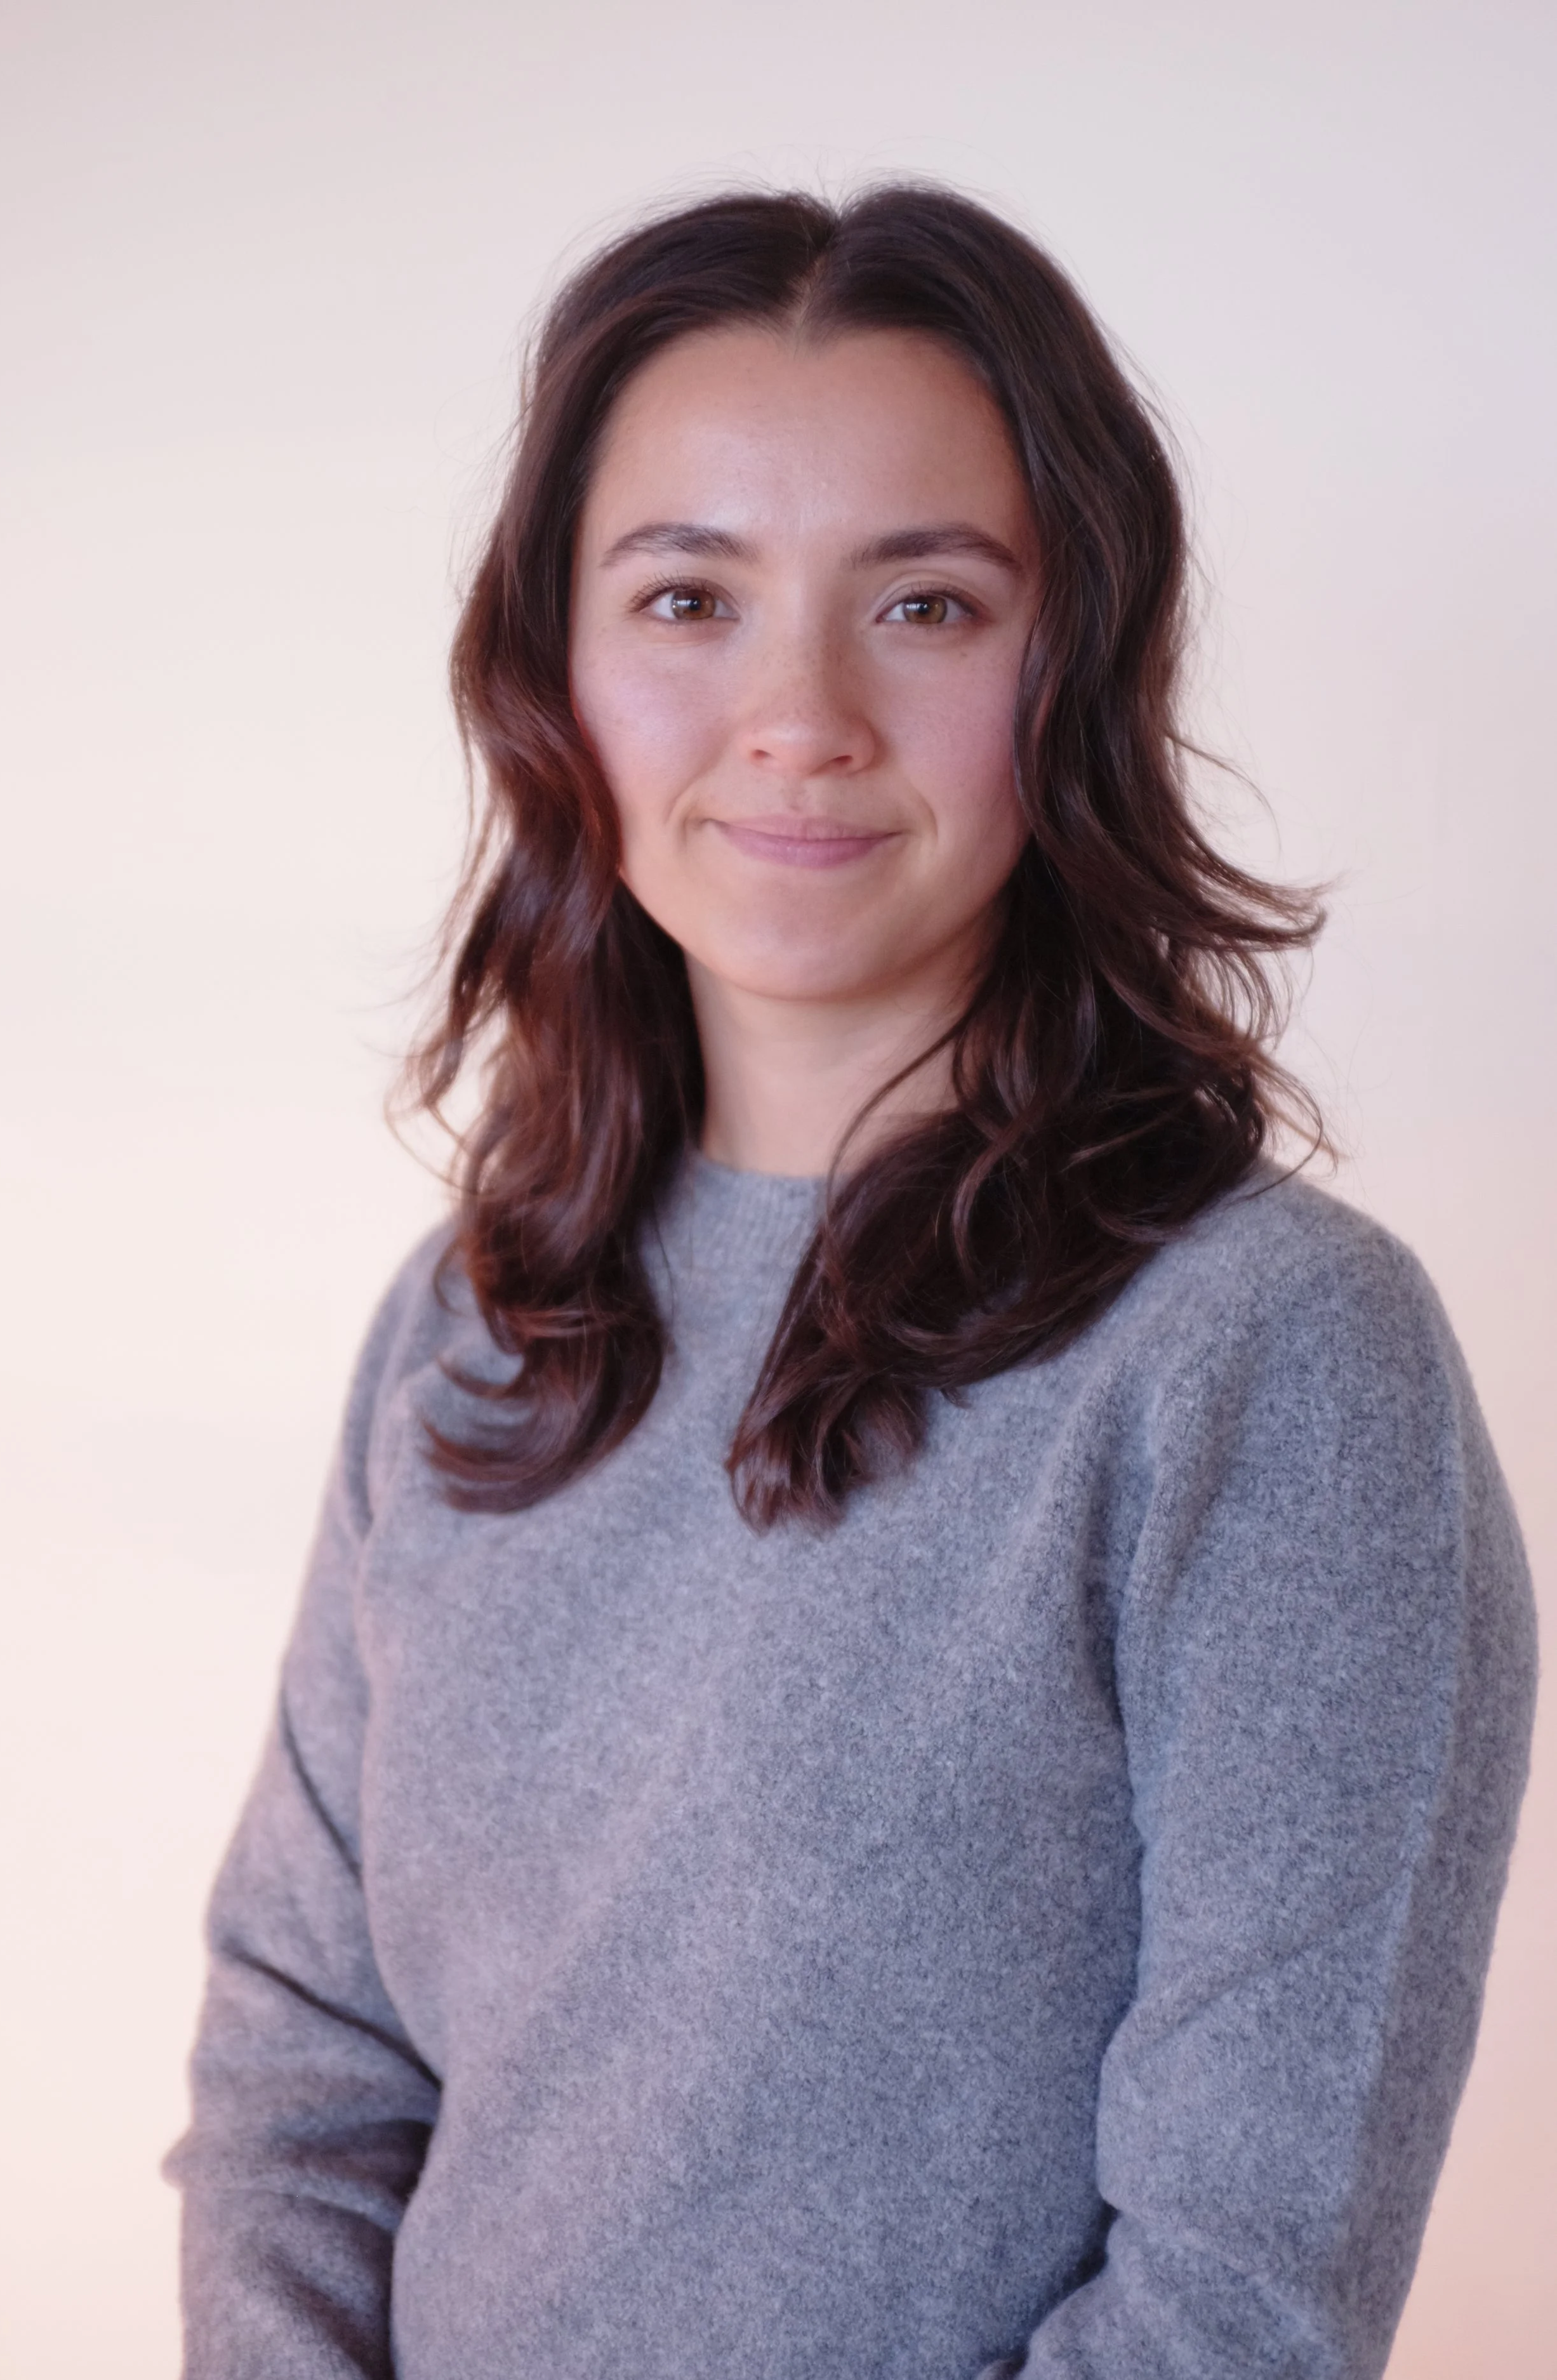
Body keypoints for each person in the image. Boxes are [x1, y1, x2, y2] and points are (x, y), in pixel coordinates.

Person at [167, 185, 1536, 2380]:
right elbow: (306, 2083)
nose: (794, 712)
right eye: (688, 594)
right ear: (551, 670)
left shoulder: (1270, 1362)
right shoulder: (469, 1318)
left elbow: (1236, 2305)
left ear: (1073, 660)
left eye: (920, 600)